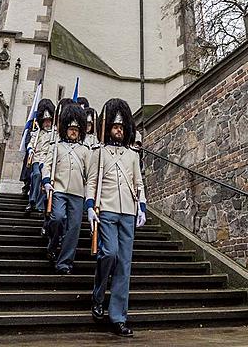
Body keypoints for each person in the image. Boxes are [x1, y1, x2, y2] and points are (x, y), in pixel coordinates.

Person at [86, 98, 146, 337]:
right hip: (107, 209)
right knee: (109, 253)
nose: (119, 130)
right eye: (115, 126)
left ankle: (118, 316)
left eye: (122, 127)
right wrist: (90, 206)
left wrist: (142, 206)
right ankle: (98, 294)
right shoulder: (98, 153)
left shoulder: (132, 155)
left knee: (124, 265)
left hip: (128, 212)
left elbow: (138, 182)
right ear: (108, 127)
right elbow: (92, 181)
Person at [42, 104, 90, 274]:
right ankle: (53, 244)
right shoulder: (57, 147)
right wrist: (47, 181)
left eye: (77, 129)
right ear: (65, 129)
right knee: (57, 219)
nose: (73, 132)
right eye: (71, 129)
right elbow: (46, 165)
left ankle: (64, 262)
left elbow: (89, 174)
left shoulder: (85, 150)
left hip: (77, 193)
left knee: (74, 228)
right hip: (59, 190)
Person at [25, 99, 55, 215]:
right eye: (45, 121)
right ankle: (32, 200)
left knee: (45, 180)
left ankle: (39, 204)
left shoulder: (54, 133)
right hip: (37, 159)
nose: (47, 123)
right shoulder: (37, 132)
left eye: (49, 121)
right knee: (36, 175)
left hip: (47, 160)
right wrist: (30, 149)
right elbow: (31, 143)